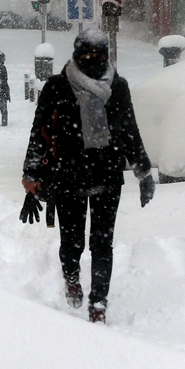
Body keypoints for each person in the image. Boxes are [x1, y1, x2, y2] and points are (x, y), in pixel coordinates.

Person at [21, 30, 155, 323]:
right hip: (68, 177)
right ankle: (72, 279)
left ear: (106, 56)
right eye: (85, 54)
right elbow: (39, 133)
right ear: (76, 54)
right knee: (72, 242)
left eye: (98, 54)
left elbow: (129, 130)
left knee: (101, 244)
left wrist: (143, 172)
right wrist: (31, 174)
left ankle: (99, 304)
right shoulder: (57, 87)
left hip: (107, 176)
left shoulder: (118, 87)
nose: (91, 60)